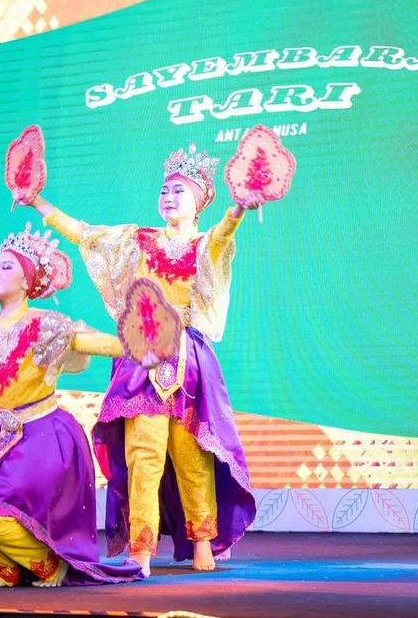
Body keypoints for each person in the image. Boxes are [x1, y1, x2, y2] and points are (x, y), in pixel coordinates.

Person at [27, 142, 257, 575]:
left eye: (179, 191)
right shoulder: (138, 240)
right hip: (142, 357)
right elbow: (85, 234)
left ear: (199, 203)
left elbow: (225, 237)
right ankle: (142, 549)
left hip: (188, 361)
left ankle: (203, 542)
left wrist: (238, 210)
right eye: (164, 190)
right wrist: (39, 202)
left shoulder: (207, 243)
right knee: (143, 453)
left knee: (192, 455)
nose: (168, 197)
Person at [0, 224, 143, 589]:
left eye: (5, 267)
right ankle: (4, 568)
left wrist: (135, 344)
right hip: (1, 433)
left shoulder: (44, 324)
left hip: (46, 434)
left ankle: (49, 565)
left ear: (27, 280)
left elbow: (87, 341)